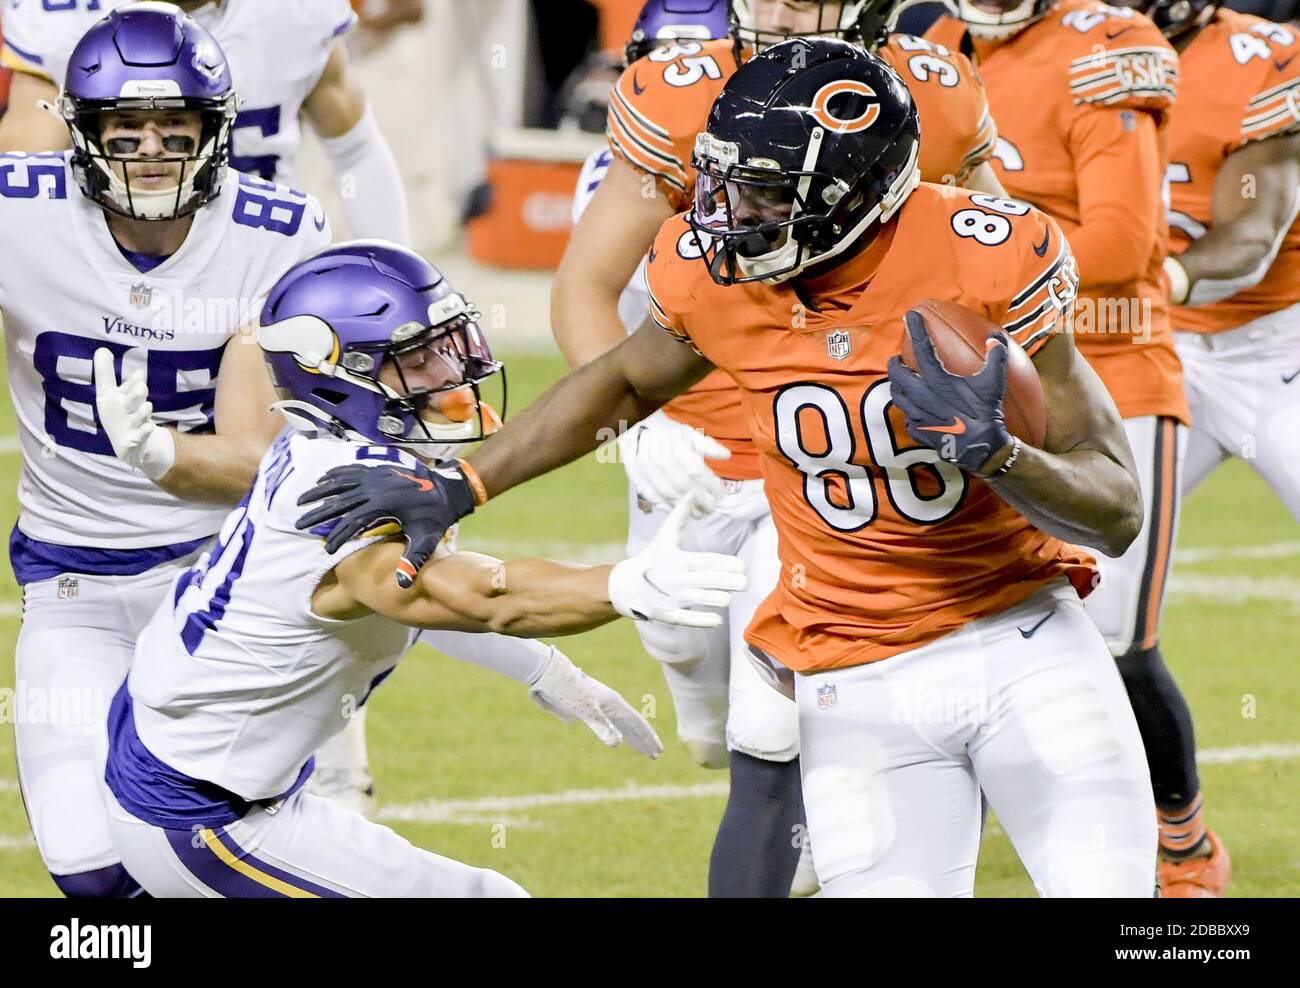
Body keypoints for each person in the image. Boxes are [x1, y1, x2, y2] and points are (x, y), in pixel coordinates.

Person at [298, 39, 1160, 897]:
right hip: (851, 675)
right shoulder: (717, 275)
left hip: (1020, 636)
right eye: (725, 180)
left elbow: (1117, 510)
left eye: (764, 192)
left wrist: (1002, 456)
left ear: (855, 193)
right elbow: (624, 381)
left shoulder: (988, 255)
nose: (730, 209)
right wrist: (462, 484)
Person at [101, 239, 750, 897]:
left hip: (199, 757)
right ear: (337, 374)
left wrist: (545, 670)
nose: (450, 368)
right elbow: (471, 595)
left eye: (448, 342)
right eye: (416, 358)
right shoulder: (350, 497)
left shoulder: (334, 447)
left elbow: (414, 601)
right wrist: (619, 584)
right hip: (204, 814)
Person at [558, 0, 1004, 898]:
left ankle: (877, 831)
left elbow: (1006, 272)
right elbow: (585, 284)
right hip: (692, 452)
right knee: (699, 690)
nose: (777, 8)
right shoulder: (681, 94)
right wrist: (637, 422)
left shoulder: (935, 91)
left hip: (837, 458)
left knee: (775, 731)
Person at [0, 4, 332, 897]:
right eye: (126, 127)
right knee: (94, 875)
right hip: (73, 584)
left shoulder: (275, 232)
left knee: (216, 847)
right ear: (81, 133)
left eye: (174, 128)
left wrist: (159, 455)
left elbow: (255, 456)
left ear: (214, 133)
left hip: (218, 582)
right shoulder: (17, 215)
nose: (149, 148)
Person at [924, 0, 1230, 896]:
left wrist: (964, 262)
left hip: (1108, 367)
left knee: (1114, 639)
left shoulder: (1107, 44)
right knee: (953, 620)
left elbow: (1121, 241)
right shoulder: (931, 46)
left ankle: (1182, 838)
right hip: (973, 374)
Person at [1132, 0, 1300, 894]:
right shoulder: (1062, 53)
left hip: (1281, 347)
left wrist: (1158, 275)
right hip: (1156, 352)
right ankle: (1177, 832)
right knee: (1079, 587)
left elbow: (1253, 235)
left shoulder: (1265, 57)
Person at [0, 0, 409, 242]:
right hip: (119, 268)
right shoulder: (62, 19)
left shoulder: (292, 13)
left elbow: (355, 151)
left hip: (259, 259)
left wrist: (396, 275)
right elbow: (22, 177)